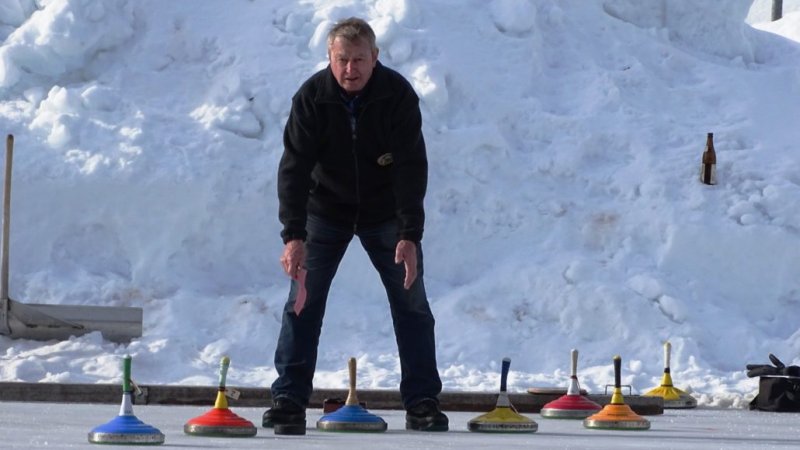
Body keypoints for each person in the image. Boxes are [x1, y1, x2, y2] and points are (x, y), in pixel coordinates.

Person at [262, 17, 448, 435]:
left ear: (375, 57)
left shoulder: (396, 95)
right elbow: (293, 168)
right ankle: (289, 398)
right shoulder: (312, 98)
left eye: (359, 59)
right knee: (301, 301)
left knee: (411, 302)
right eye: (342, 60)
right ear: (329, 58)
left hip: (385, 214)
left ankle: (422, 401)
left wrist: (409, 235)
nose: (351, 69)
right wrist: (293, 235)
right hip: (324, 212)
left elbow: (411, 168)